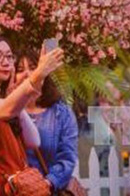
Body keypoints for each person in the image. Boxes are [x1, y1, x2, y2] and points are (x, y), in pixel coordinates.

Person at [0, 35, 64, 195]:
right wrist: (38, 74)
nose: (5, 62)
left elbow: (33, 140)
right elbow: (6, 109)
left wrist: (13, 97)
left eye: (9, 56)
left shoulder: (2, 101)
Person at [14, 48, 79, 192]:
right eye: (20, 70)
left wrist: (46, 184)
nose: (27, 74)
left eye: (33, 68)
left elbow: (68, 158)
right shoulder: (8, 112)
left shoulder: (61, 113)